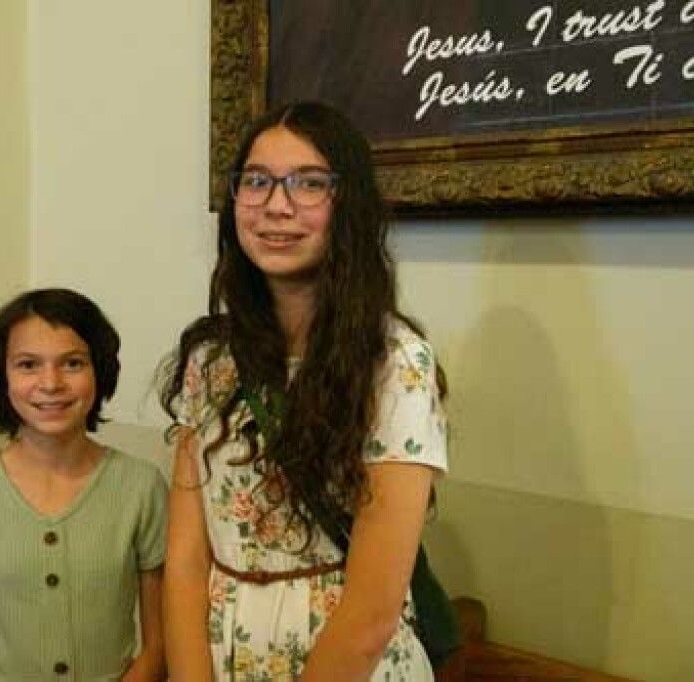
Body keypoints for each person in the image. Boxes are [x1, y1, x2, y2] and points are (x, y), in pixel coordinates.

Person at [160, 102, 448, 681]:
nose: (276, 206)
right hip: (225, 659)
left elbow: (372, 613)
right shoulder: (211, 358)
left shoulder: (395, 365)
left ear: (349, 206)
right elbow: (186, 562)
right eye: (257, 181)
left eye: (309, 183)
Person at [0, 288, 168, 681]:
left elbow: (161, 647)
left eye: (73, 363)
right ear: (2, 376)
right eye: (28, 365)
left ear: (100, 371)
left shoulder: (142, 486)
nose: (51, 383)